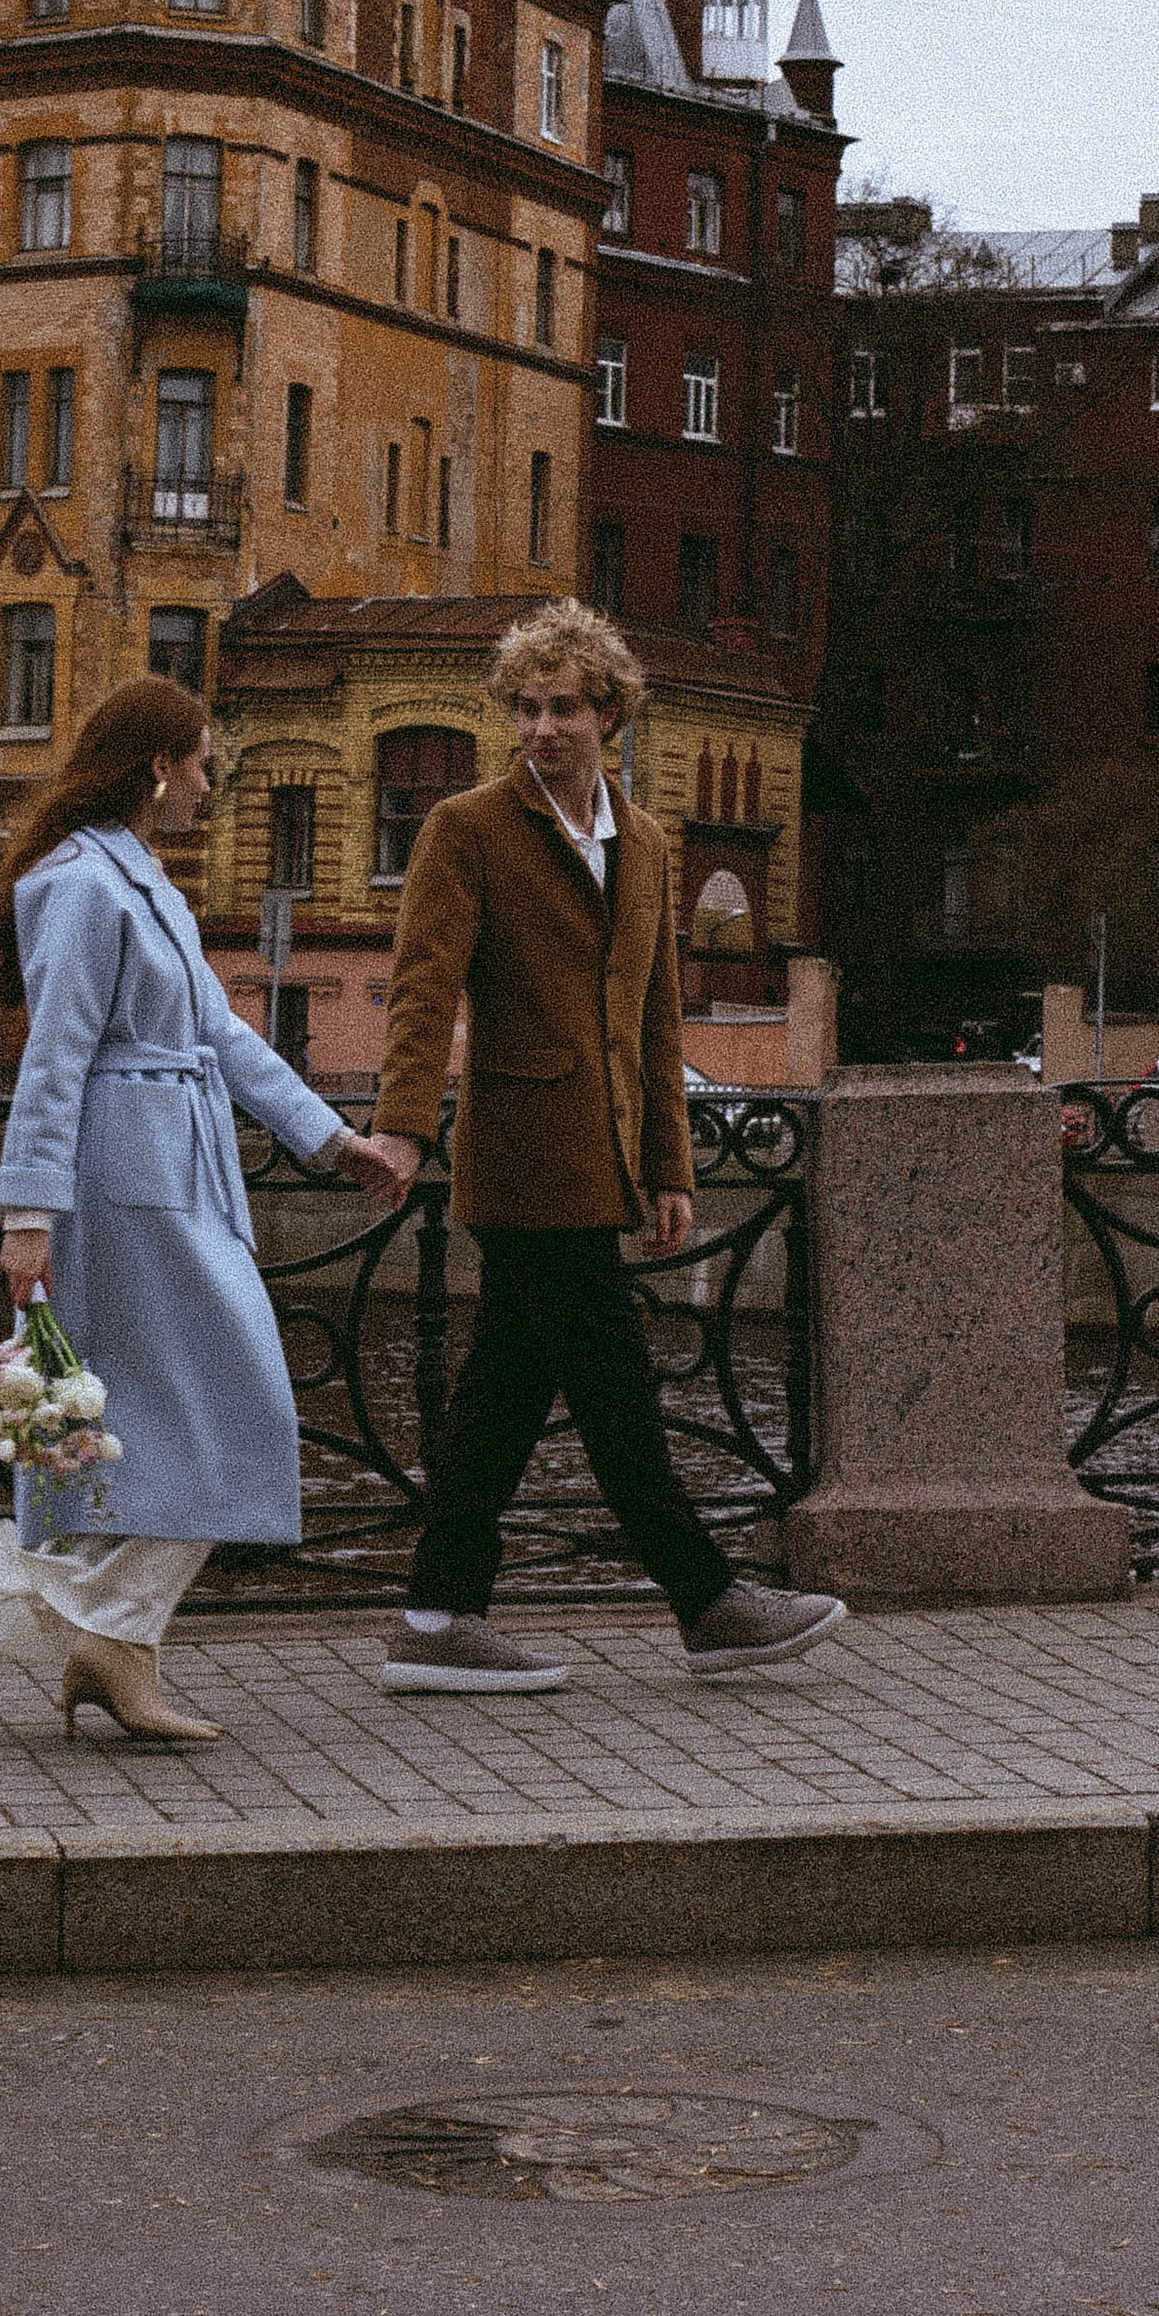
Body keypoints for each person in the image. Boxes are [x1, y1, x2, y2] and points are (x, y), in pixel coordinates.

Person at [367, 601, 845, 1693]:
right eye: (526, 709)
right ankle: (705, 1598)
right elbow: (421, 985)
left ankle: (438, 1618)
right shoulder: (469, 830)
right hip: (524, 1157)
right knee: (616, 1389)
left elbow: (656, 1018)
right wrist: (400, 1127)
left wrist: (670, 1166)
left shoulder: (647, 843)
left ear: (610, 714)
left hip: (609, 1156)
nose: (542, 729)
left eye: (565, 708)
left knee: (500, 1401)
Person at [0, 675, 411, 1741]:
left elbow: (223, 1036)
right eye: (201, 762)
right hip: (123, 1179)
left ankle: (110, 1641)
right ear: (157, 766)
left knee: (171, 1421)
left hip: (170, 1171)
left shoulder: (138, 877)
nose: (209, 784)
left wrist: (331, 1140)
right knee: (233, 1407)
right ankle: (101, 1629)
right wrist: (28, 1212)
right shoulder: (83, 885)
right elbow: (52, 1056)